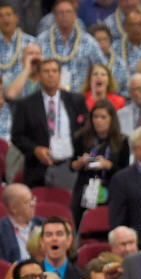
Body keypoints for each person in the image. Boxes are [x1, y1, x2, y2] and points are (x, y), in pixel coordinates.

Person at [10, 57, 88, 189]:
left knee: (68, 208)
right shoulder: (25, 104)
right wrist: (35, 149)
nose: (51, 74)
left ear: (59, 75)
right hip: (38, 169)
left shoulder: (75, 100)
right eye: (46, 71)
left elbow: (86, 130)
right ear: (39, 75)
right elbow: (17, 136)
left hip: (69, 167)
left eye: (54, 71)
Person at [68, 99, 128, 229]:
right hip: (84, 189)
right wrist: (80, 162)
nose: (98, 121)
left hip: (109, 190)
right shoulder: (81, 137)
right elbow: (71, 166)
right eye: (95, 116)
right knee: (79, 226)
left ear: (111, 119)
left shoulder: (122, 141)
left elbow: (125, 172)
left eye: (103, 117)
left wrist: (109, 166)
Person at [0, 184, 43, 264]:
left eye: (33, 199)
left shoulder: (43, 224)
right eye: (27, 202)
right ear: (14, 208)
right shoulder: (2, 231)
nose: (33, 204)